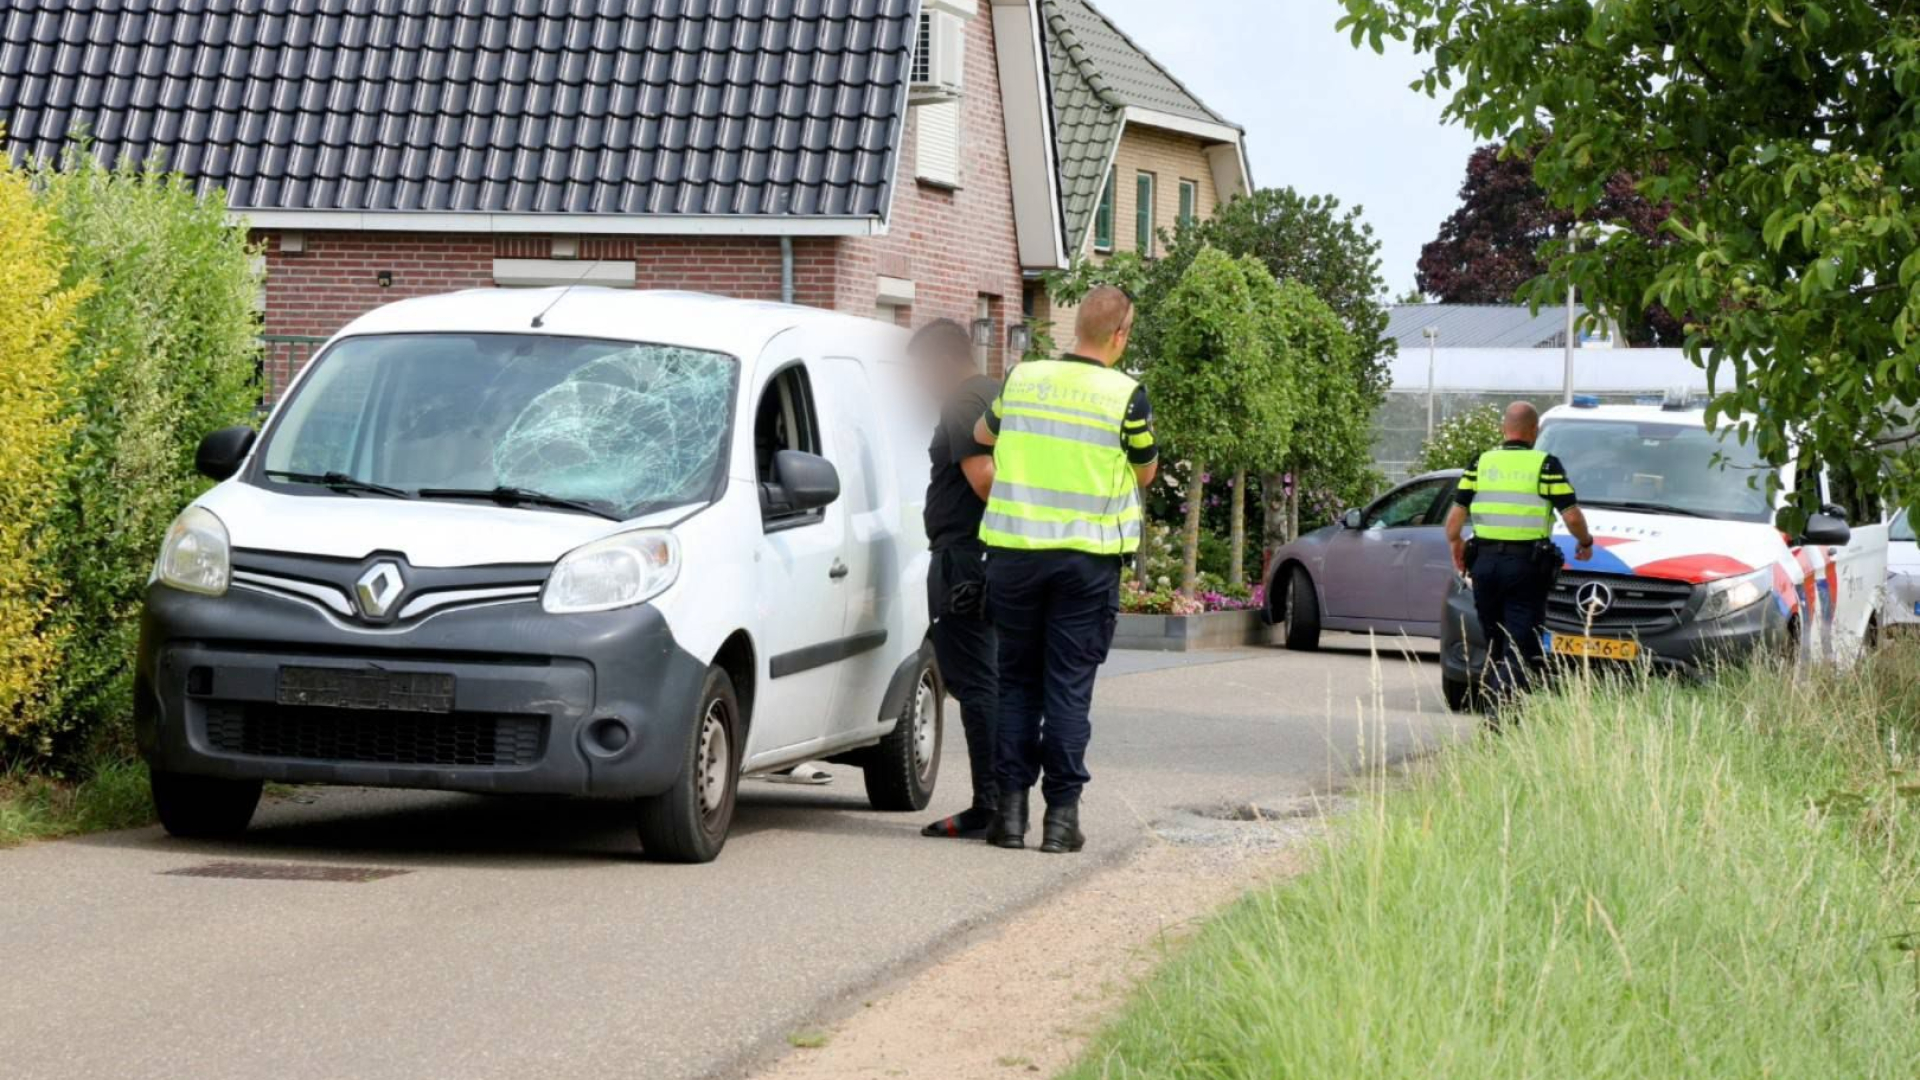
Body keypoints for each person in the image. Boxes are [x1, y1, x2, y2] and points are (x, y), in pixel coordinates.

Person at [972, 286, 1157, 853]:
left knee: (1017, 683)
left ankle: (1008, 818)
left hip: (1013, 556)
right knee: (1068, 690)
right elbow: (1145, 473)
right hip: (1085, 562)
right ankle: (1060, 820)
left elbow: (982, 437)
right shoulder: (1127, 396)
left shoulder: (1022, 379)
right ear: (1120, 335)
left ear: (1078, 325)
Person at [911, 319, 1003, 839]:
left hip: (965, 560)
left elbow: (985, 482)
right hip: (988, 556)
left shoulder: (964, 403)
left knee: (975, 683)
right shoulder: (997, 394)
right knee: (992, 679)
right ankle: (1001, 800)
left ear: (942, 361)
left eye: (922, 370)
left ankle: (988, 804)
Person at [1444, 401, 1595, 704]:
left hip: (1484, 565)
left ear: (1504, 429)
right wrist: (1585, 542)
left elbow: (1455, 518)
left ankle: (1495, 703)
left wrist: (1456, 545)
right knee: (1521, 640)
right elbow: (1572, 516)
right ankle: (1503, 711)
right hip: (1526, 567)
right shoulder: (1546, 465)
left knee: (1495, 640)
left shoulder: (1480, 463)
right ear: (1534, 431)